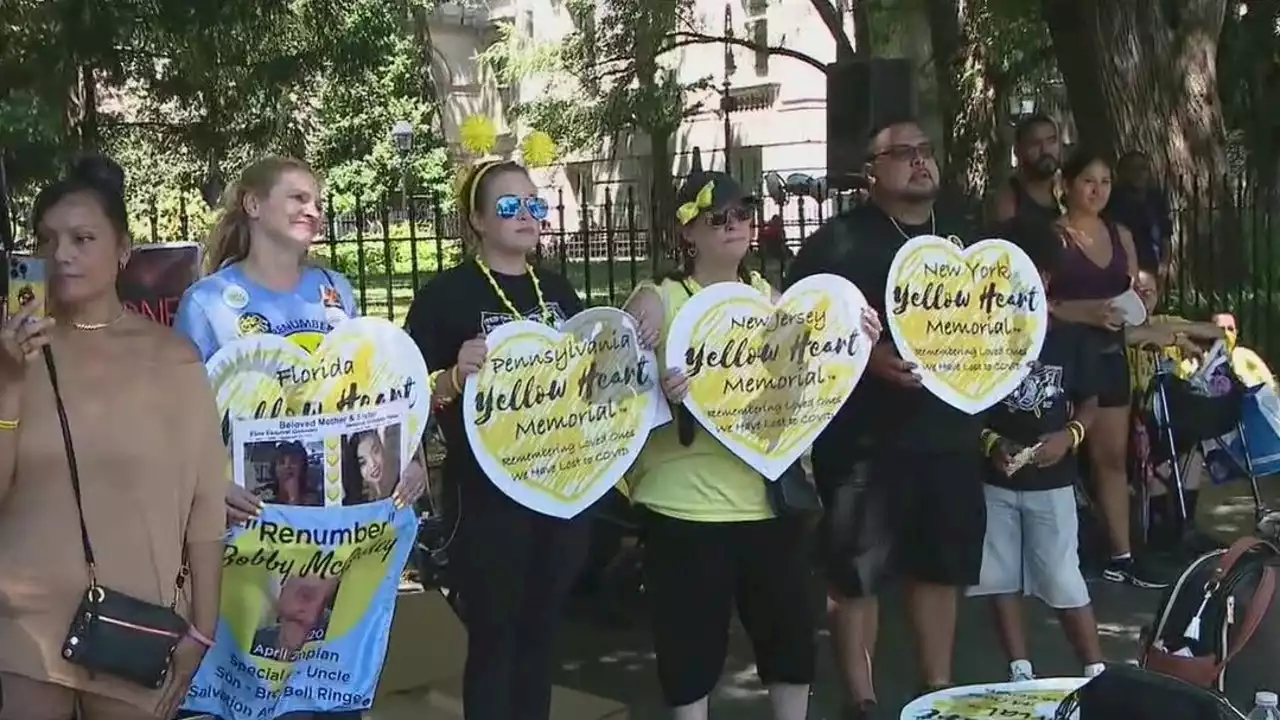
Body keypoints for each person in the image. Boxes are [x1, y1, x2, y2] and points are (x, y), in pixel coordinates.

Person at [621, 170, 880, 720]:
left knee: (788, 643)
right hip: (683, 506)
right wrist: (660, 387)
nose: (736, 225)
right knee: (689, 655)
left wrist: (854, 335)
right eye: (720, 217)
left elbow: (810, 381)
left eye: (744, 213)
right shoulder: (660, 297)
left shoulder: (773, 300)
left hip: (770, 504)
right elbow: (621, 390)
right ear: (688, 231)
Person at [174, 156, 427, 720]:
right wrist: (210, 483)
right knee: (252, 678)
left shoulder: (336, 291)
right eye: (296, 198)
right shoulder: (209, 302)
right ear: (253, 204)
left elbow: (370, 393)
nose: (312, 210)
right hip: (249, 525)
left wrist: (404, 458)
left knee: (326, 678)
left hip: (335, 526)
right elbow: (181, 413)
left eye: (316, 200)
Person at [0, 157, 225, 719]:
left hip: (136, 624)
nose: (63, 253)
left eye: (82, 238)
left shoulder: (171, 357)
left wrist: (202, 628)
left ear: (123, 249)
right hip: (23, 624)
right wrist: (7, 380)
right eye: (48, 239)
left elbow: (205, 502)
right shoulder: (13, 353)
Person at [787, 118, 986, 713]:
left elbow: (1000, 319)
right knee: (857, 577)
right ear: (872, 174)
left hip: (948, 434)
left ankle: (936, 693)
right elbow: (796, 324)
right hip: (863, 443)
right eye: (903, 154)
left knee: (940, 567)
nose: (920, 161)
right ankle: (864, 702)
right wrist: (868, 360)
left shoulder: (966, 238)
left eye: (926, 150)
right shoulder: (837, 242)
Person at [405, 159, 591, 720]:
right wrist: (453, 376)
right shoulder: (445, 296)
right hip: (487, 497)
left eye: (535, 204)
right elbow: (410, 395)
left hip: (560, 490)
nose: (527, 216)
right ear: (478, 221)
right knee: (493, 640)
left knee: (540, 638)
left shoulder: (557, 289)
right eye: (509, 206)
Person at [968, 217, 1107, 683]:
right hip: (998, 478)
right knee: (998, 574)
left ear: (1046, 277)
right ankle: (1019, 669)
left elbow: (1090, 402)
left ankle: (1094, 669)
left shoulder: (1067, 336)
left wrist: (1070, 437)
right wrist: (990, 443)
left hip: (1052, 479)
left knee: (1062, 576)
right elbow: (971, 408)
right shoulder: (982, 340)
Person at [1048, 149, 1167, 589]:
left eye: (1105, 183)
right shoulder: (1053, 237)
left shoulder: (1120, 234)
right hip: (1066, 355)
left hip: (1110, 352)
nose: (1097, 191)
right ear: (1068, 184)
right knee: (1063, 455)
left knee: (1111, 457)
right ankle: (1061, 552)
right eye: (1088, 182)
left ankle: (1122, 553)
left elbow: (1136, 287)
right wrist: (1087, 312)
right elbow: (1036, 305)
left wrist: (1143, 302)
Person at [987, 114, 1063, 227]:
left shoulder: (1069, 188)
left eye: (1051, 141)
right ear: (1018, 150)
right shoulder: (1009, 200)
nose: (1045, 150)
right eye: (1035, 143)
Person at [1106, 151, 1173, 274]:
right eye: (1132, 169)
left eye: (1143, 168)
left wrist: (1164, 265)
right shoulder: (1112, 201)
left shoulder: (1155, 198)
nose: (1138, 174)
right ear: (1122, 173)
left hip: (1152, 264)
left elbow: (1165, 233)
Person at [262, 441, 321, 506]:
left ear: (302, 467)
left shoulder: (312, 497)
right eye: (282, 462)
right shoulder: (264, 493)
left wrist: (294, 499)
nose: (287, 466)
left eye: (293, 461)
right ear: (274, 468)